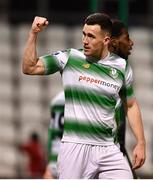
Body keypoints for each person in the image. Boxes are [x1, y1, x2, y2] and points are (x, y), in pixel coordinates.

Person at [22, 13, 146, 179]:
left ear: (106, 40)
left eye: (91, 36)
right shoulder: (70, 58)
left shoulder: (121, 67)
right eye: (84, 34)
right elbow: (29, 67)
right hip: (74, 147)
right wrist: (33, 33)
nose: (85, 40)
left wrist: (141, 143)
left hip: (107, 147)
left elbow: (130, 105)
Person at [43, 91, 64, 179]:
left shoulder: (57, 99)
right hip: (72, 159)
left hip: (54, 160)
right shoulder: (79, 97)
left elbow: (52, 134)